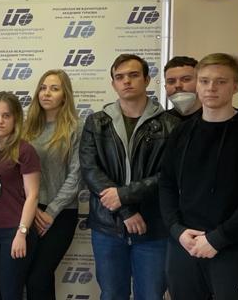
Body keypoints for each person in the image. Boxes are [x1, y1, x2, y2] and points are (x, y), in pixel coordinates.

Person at [159, 53, 238, 299]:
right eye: (204, 81)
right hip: (184, 245)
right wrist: (177, 230)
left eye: (221, 81)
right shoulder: (181, 133)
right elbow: (166, 184)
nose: (211, 88)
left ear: (235, 86)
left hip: (231, 249)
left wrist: (217, 239)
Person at [79, 54, 179, 300]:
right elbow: (90, 170)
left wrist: (123, 196)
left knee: (151, 295)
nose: (126, 81)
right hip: (108, 227)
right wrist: (126, 211)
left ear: (146, 80)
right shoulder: (96, 122)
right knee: (112, 294)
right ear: (113, 83)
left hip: (153, 227)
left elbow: (169, 176)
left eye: (133, 75)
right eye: (120, 77)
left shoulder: (171, 125)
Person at [22, 69, 84, 300]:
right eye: (43, 88)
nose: (46, 93)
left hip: (61, 215)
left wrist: (51, 211)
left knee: (39, 277)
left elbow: (77, 175)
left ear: (65, 95)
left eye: (54, 89)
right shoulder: (26, 128)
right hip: (30, 210)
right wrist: (33, 207)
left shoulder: (76, 128)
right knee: (32, 278)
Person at [0, 92, 39, 300]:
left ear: (16, 118)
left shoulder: (25, 150)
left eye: (6, 116)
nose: (0, 121)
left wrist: (21, 233)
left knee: (11, 294)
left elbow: (33, 195)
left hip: (14, 232)